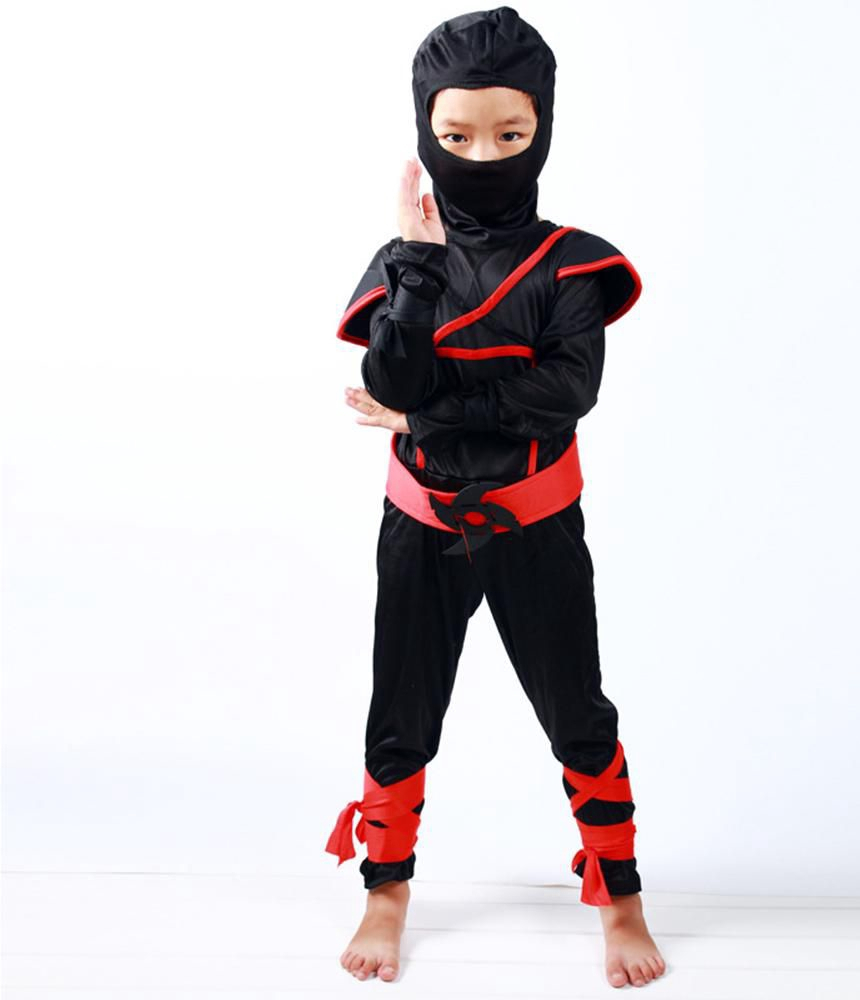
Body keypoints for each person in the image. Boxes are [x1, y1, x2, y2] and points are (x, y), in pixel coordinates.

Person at [325, 7, 667, 988]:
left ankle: (621, 896)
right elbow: (389, 380)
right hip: (420, 526)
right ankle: (385, 891)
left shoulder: (572, 263)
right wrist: (418, 268)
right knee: (401, 713)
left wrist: (425, 416)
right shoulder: (405, 260)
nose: (482, 156)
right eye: (458, 135)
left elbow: (564, 394)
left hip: (535, 525)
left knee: (577, 712)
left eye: (510, 134)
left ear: (543, 128)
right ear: (426, 130)